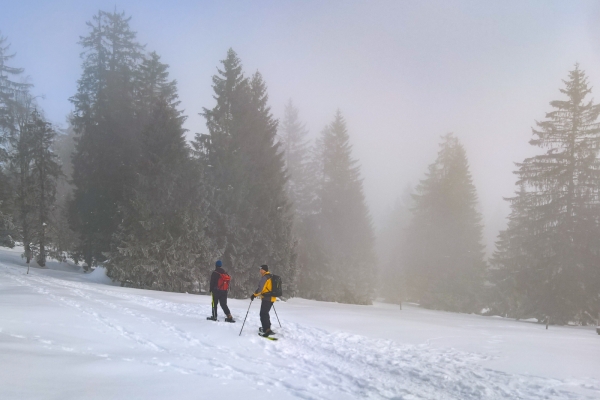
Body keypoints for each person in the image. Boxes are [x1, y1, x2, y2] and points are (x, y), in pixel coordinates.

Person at [251, 264, 276, 336]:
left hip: (267, 298)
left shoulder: (265, 278)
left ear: (264, 270)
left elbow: (260, 289)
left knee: (263, 314)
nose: (260, 270)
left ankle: (267, 330)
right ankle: (267, 327)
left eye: (261, 269)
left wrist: (254, 295)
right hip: (272, 298)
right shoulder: (270, 277)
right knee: (265, 313)